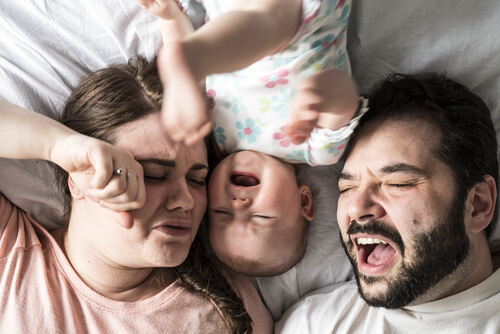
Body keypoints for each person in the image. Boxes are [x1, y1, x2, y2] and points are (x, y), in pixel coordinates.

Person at [0, 57, 273, 333]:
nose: (186, 201)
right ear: (78, 181)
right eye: (152, 175)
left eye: (197, 180)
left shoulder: (229, 309)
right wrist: (58, 146)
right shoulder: (10, 251)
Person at [137, 0, 366, 277]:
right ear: (304, 201)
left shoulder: (213, 138)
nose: (238, 204)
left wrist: (170, 16)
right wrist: (321, 94)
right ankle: (191, 57)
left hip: (229, 17)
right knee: (272, 22)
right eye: (260, 217)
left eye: (222, 213)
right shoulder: (316, 151)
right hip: (295, 21)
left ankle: (192, 57)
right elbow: (345, 98)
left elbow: (195, 87)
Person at [275, 73, 500, 333]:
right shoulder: (312, 325)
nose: (356, 209)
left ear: (477, 205)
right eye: (347, 187)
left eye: (397, 183)